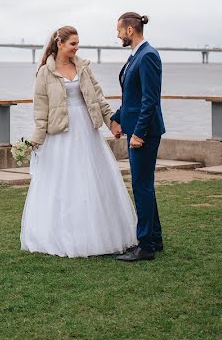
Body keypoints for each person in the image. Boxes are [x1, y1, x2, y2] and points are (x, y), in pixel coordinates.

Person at [20, 25, 137, 258]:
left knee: (90, 180)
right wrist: (35, 140)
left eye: (78, 43)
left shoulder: (83, 68)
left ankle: (96, 235)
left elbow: (98, 98)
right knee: (63, 183)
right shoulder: (45, 73)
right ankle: (61, 235)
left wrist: (111, 122)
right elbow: (40, 111)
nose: (76, 48)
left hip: (86, 130)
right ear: (59, 44)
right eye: (72, 43)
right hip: (60, 133)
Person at [111, 13, 166, 262]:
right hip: (134, 128)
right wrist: (117, 117)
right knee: (145, 185)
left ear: (130, 30)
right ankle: (154, 237)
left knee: (141, 186)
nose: (118, 35)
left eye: (119, 31)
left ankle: (145, 246)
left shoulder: (148, 56)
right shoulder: (136, 56)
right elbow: (131, 99)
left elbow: (150, 100)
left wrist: (139, 134)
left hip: (143, 133)